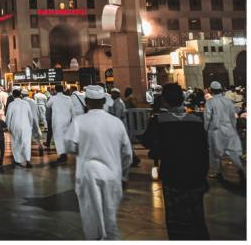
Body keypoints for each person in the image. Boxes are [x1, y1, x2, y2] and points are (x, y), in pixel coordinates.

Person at [141, 83, 209, 239]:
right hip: (195, 178)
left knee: (176, 220)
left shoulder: (159, 121)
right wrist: (203, 176)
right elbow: (204, 151)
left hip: (173, 177)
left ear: (164, 100)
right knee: (197, 218)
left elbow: (147, 141)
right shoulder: (196, 121)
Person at [65, 85, 133, 240]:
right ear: (104, 101)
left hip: (88, 176)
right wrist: (124, 176)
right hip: (112, 176)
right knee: (110, 218)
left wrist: (82, 148)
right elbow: (127, 153)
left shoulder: (80, 122)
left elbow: (70, 145)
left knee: (92, 219)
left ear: (87, 102)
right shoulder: (116, 123)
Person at [204, 81, 245, 181]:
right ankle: (240, 170)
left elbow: (207, 118)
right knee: (233, 153)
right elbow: (233, 117)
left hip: (215, 131)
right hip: (229, 129)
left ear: (212, 90)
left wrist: (206, 130)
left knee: (215, 154)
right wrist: (233, 128)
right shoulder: (228, 101)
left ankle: (218, 172)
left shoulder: (210, 102)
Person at [6, 88, 34, 168]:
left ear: (13, 95)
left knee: (16, 143)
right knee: (26, 143)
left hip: (15, 126)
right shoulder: (26, 103)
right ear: (20, 95)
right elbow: (30, 116)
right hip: (26, 126)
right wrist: (30, 126)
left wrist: (7, 127)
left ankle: (18, 160)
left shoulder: (11, 104)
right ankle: (27, 159)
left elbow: (8, 117)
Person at [46, 84, 75, 164]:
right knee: (65, 137)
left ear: (55, 90)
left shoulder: (53, 98)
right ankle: (64, 153)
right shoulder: (68, 98)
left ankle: (63, 155)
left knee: (58, 137)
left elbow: (47, 105)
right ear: (63, 90)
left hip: (57, 121)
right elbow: (72, 109)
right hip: (67, 120)